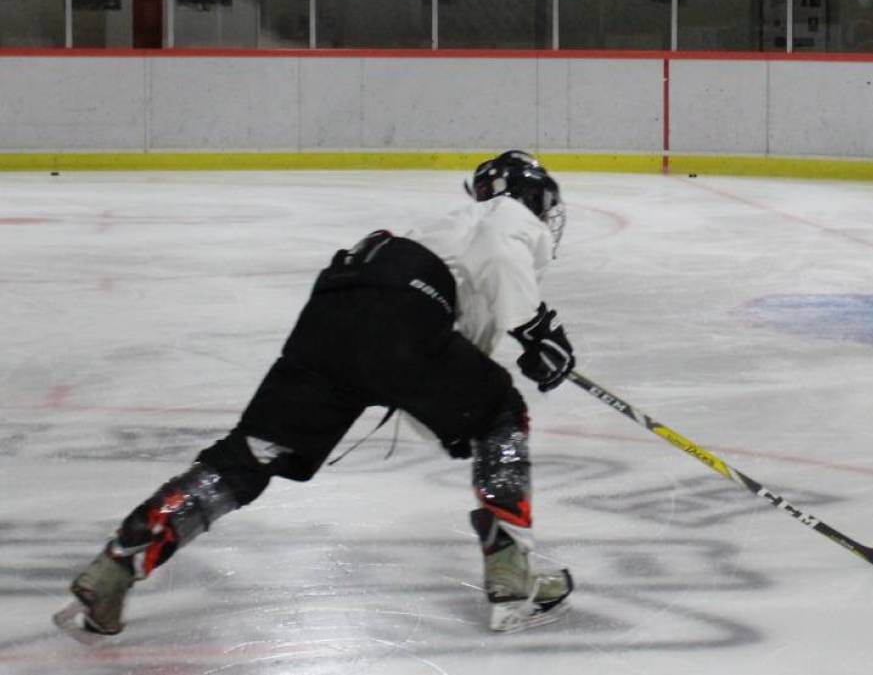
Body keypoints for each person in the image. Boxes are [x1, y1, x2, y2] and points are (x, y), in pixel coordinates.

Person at [58, 150, 578, 636]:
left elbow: (434, 374)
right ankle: (511, 575)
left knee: (251, 454)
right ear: (533, 195)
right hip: (401, 310)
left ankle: (119, 564)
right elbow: (496, 255)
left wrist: (468, 403)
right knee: (500, 415)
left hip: (335, 311)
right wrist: (535, 330)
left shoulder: (444, 231)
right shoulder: (505, 214)